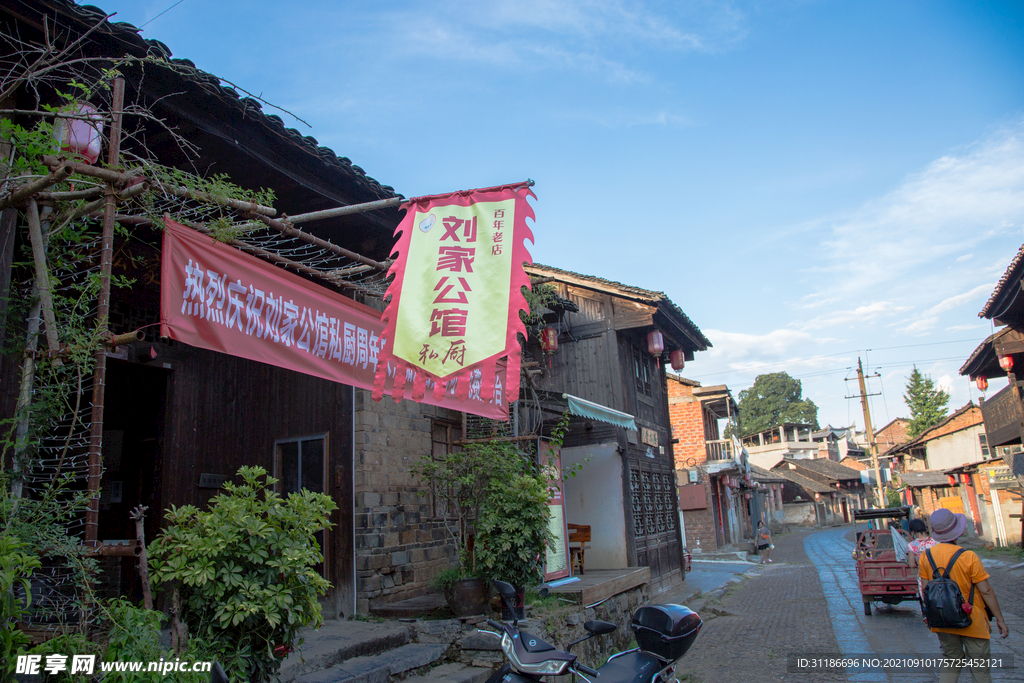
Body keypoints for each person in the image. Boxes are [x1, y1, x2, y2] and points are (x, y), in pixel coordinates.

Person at [918, 508, 1009, 683]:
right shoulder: (968, 556)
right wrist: (999, 618)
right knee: (980, 669)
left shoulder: (926, 556)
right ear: (956, 531)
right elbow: (986, 590)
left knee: (951, 661)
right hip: (972, 618)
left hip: (942, 619)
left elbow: (926, 590)